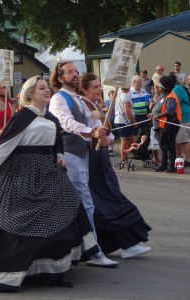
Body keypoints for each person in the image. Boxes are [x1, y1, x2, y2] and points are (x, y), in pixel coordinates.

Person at [0, 75, 98, 292]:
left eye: (47, 87)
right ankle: (11, 268)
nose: (47, 91)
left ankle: (55, 270)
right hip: (22, 173)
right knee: (16, 221)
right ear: (30, 94)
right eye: (41, 88)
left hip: (48, 172)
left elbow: (56, 141)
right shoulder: (22, 117)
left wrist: (58, 154)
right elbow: (6, 145)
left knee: (65, 211)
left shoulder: (51, 117)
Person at [49, 62, 118, 267]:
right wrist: (92, 133)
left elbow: (96, 124)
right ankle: (94, 251)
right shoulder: (58, 99)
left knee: (81, 202)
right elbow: (66, 122)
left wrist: (108, 138)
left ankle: (80, 249)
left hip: (83, 155)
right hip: (70, 155)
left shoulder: (79, 99)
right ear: (60, 78)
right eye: (70, 71)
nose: (75, 74)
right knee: (84, 202)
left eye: (76, 71)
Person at [79, 72, 152, 258]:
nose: (99, 90)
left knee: (109, 200)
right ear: (84, 90)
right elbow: (81, 131)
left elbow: (108, 132)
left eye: (99, 86)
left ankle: (123, 244)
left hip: (101, 158)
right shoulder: (81, 106)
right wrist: (97, 132)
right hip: (91, 160)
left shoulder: (95, 105)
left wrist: (109, 140)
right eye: (95, 87)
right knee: (108, 201)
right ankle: (126, 244)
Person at [150, 75, 182, 173]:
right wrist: (153, 113)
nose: (159, 88)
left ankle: (171, 166)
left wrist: (158, 115)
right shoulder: (164, 96)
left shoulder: (171, 97)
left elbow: (169, 111)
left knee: (169, 146)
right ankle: (163, 165)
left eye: (160, 86)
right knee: (163, 146)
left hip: (169, 126)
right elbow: (160, 107)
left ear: (164, 88)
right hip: (161, 126)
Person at [168, 73, 190, 167]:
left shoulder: (176, 88)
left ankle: (187, 159)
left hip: (184, 116)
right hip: (180, 117)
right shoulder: (175, 88)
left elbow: (174, 102)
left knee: (183, 138)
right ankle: (179, 157)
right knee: (178, 139)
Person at [114, 87, 137, 166]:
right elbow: (127, 111)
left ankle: (125, 156)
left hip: (122, 120)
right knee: (125, 140)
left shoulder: (120, 95)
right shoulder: (125, 96)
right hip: (123, 121)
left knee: (129, 139)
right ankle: (123, 159)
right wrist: (134, 121)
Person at [103, 89, 118, 155]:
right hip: (108, 120)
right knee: (108, 133)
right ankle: (108, 148)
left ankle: (111, 148)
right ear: (109, 95)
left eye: (114, 94)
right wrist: (105, 109)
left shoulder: (117, 102)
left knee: (113, 134)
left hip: (115, 120)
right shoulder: (106, 102)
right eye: (111, 94)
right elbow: (100, 108)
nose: (113, 95)